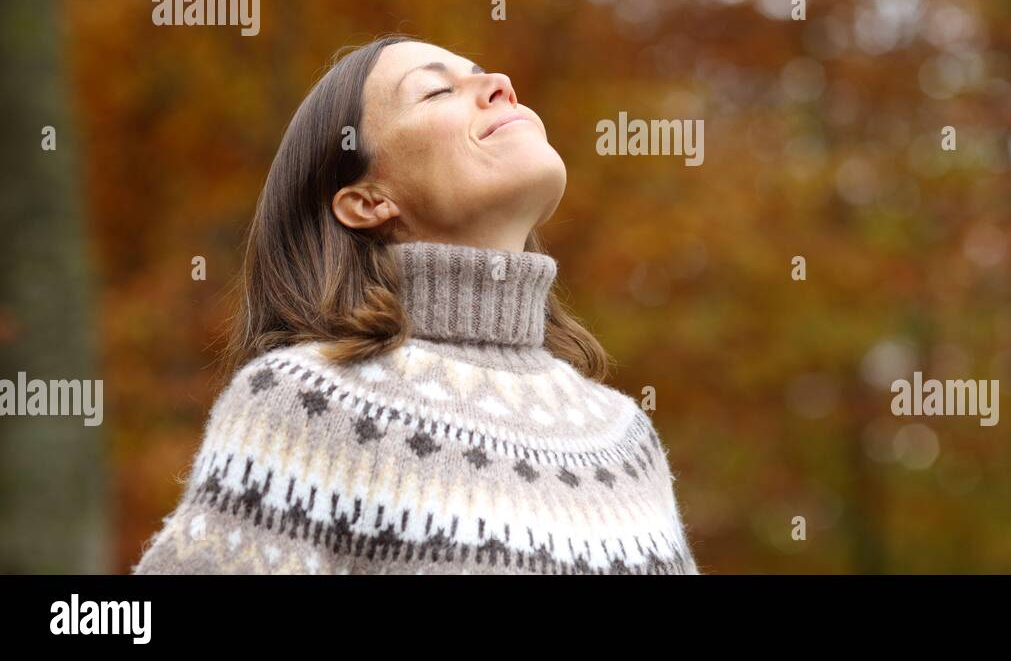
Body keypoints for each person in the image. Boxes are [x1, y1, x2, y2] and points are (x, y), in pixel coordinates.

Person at [132, 34, 700, 574]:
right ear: (368, 202)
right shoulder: (309, 405)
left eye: (484, 76)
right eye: (437, 91)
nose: (500, 83)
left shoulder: (624, 439)